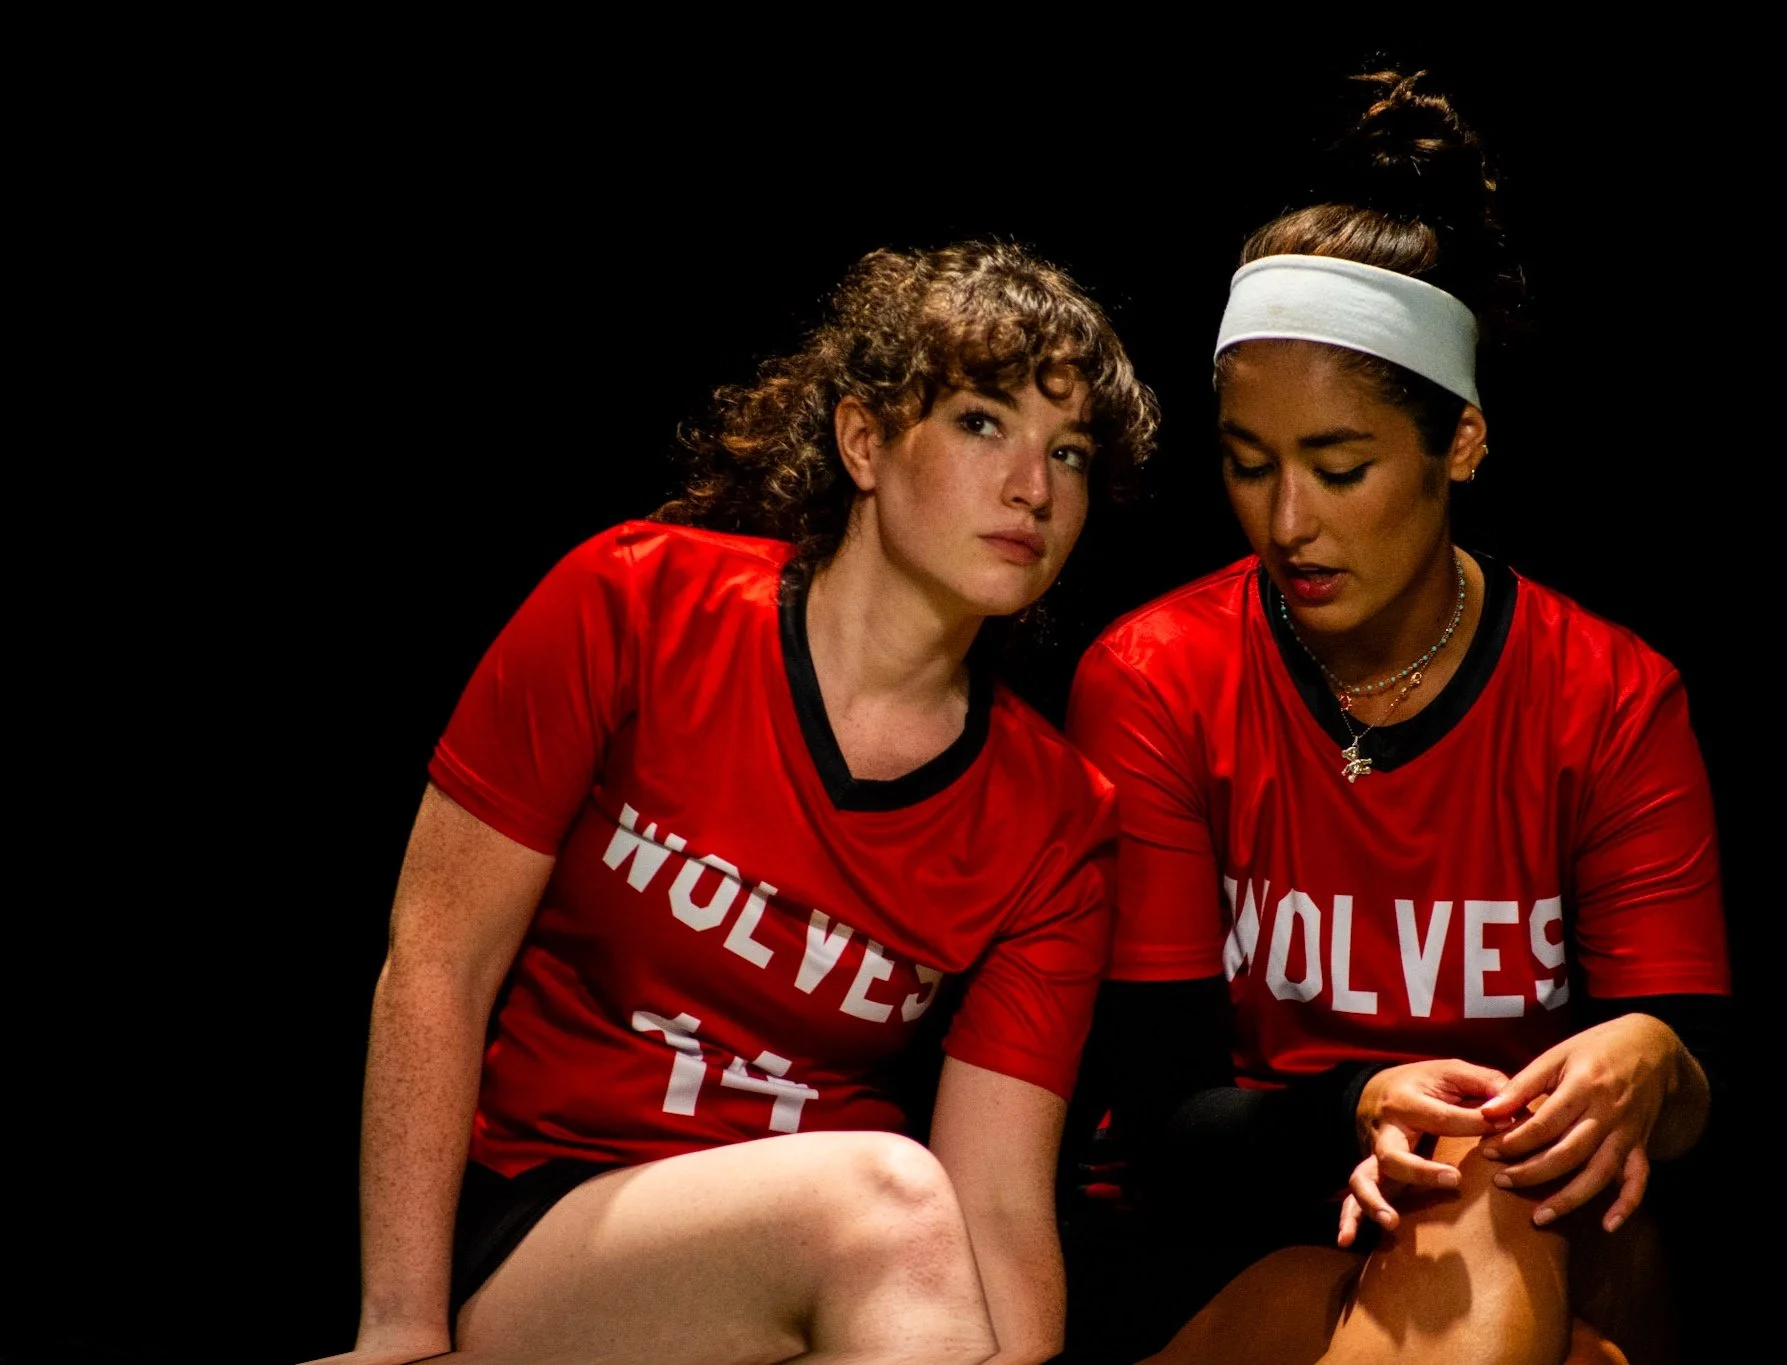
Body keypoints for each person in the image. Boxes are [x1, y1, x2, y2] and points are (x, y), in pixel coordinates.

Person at [308, 241, 1160, 1365]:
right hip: (548, 1232)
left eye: (1071, 454)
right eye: (979, 422)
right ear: (864, 440)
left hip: (842, 1283)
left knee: (915, 1244)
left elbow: (998, 1201)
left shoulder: (1056, 818)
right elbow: (436, 959)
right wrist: (400, 1335)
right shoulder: (634, 605)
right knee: (888, 1204)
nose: (1032, 488)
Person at [1062, 70, 1730, 1365]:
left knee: (1512, 1193)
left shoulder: (1610, 694)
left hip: (1517, 1223)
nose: (1287, 522)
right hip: (1231, 1237)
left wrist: (1656, 1059)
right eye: (1249, 465)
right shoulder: (1152, 678)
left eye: (1340, 466)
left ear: (1461, 444)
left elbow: (1692, 1085)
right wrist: (1358, 1112)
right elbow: (1162, 1121)